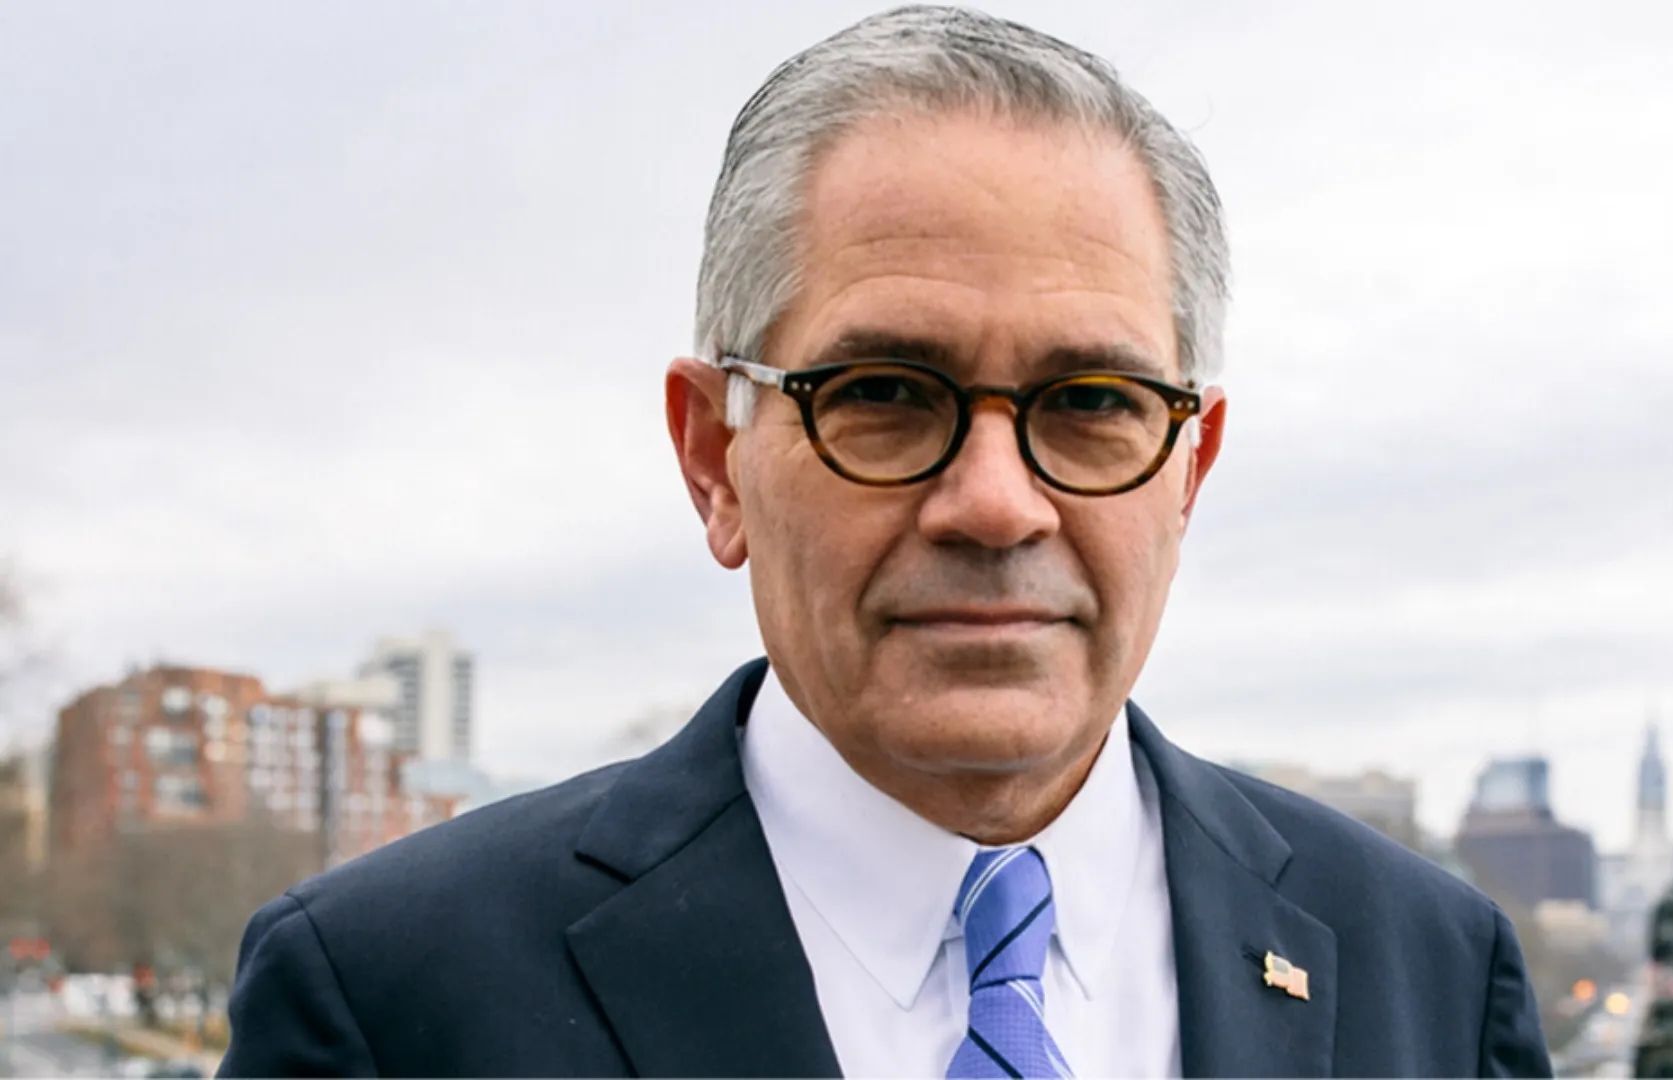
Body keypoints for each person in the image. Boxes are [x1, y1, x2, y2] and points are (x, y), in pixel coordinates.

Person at [218, 6, 1552, 1077]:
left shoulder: (1429, 972)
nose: (996, 504)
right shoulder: (391, 999)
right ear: (715, 459)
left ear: (1188, 470)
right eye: (885, 393)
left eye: (1092, 404)